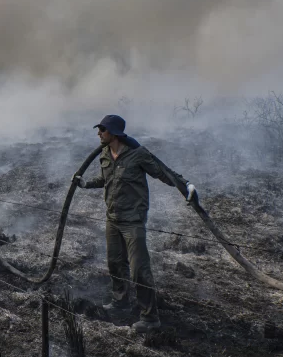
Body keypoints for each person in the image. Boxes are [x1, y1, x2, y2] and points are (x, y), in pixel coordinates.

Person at [74, 115, 197, 333]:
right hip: (112, 218)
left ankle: (150, 318)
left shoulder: (138, 154)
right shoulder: (104, 153)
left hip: (133, 221)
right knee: (115, 263)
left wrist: (185, 186)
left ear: (114, 133)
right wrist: (85, 184)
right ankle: (121, 302)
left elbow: (162, 172)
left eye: (102, 129)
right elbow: (105, 179)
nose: (99, 133)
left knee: (139, 269)